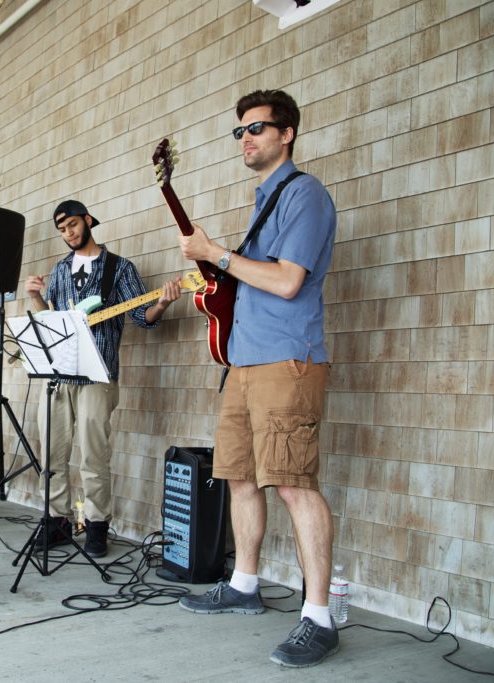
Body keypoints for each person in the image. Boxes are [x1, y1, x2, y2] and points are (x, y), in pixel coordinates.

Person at [175, 89, 339, 668]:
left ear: (287, 133)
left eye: (257, 129)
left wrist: (216, 253)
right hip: (243, 363)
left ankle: (318, 616)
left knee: (294, 482)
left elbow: (289, 280)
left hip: (287, 362)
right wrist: (212, 281)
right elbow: (247, 282)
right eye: (240, 131)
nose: (246, 139)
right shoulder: (264, 200)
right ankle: (245, 584)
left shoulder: (306, 195)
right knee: (240, 477)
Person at [23, 200, 181, 557]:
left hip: (98, 375)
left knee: (93, 456)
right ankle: (57, 521)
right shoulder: (59, 270)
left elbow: (142, 316)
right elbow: (51, 322)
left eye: (74, 225)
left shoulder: (120, 268)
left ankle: (96, 526)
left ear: (89, 221)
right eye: (62, 230)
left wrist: (164, 303)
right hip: (59, 375)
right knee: (51, 454)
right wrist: (35, 297)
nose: (69, 233)